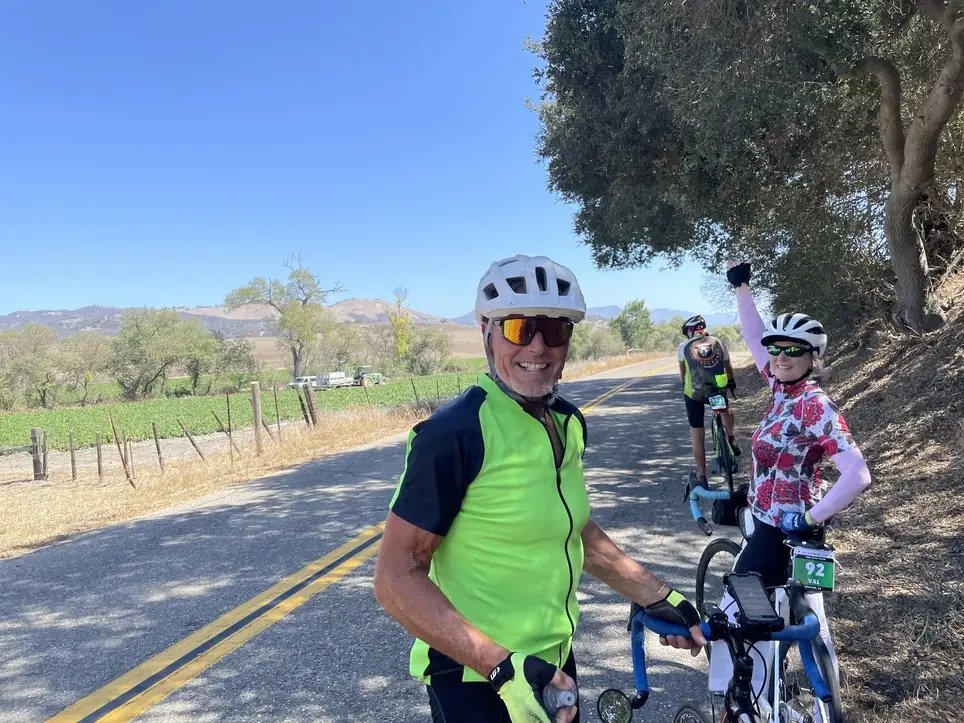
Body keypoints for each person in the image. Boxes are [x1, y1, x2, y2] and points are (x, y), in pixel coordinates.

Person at [373, 254, 706, 723]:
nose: (537, 346)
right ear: (486, 332)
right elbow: (395, 578)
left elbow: (573, 530)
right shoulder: (454, 434)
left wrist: (656, 595)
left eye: (553, 330)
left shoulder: (567, 422)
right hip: (477, 676)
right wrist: (500, 668)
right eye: (517, 329)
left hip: (551, 663)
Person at [707, 260, 873, 700]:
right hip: (781, 520)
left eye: (793, 350)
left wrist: (808, 517)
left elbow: (858, 474)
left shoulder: (813, 405)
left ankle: (744, 703)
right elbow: (754, 336)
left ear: (812, 358)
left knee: (735, 616)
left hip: (783, 528)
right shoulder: (783, 386)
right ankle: (811, 696)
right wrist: (742, 288)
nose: (780, 356)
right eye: (776, 348)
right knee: (805, 614)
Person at [678, 314, 740, 487]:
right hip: (716, 389)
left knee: (697, 435)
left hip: (695, 394)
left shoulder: (683, 347)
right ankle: (731, 436)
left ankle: (702, 477)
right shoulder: (717, 342)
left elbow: (683, 374)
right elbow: (728, 366)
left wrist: (685, 386)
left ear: (690, 331)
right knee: (725, 408)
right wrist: (731, 382)